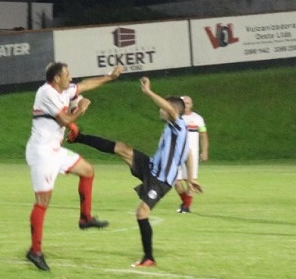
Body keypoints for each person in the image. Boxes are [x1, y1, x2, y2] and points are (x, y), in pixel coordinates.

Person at [71, 77, 202, 267]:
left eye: (163, 108)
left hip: (161, 180)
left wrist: (149, 92)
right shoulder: (173, 129)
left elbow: (172, 111)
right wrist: (192, 179)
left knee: (142, 213)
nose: (160, 110)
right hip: (151, 168)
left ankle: (149, 258)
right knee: (122, 148)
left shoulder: (178, 124)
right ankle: (79, 138)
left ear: (169, 110)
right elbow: (189, 153)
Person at [24, 62, 123, 272]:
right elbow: (65, 118)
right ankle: (35, 251)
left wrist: (110, 77)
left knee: (88, 171)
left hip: (54, 150)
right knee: (42, 202)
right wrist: (80, 110)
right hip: (41, 153)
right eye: (67, 74)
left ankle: (85, 218)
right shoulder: (46, 92)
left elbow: (87, 85)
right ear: (57, 78)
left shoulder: (64, 90)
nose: (71, 77)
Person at [174, 95, 208, 213]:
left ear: (191, 104)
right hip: (177, 153)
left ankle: (186, 206)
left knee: (191, 180)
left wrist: (204, 151)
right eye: (183, 103)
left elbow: (203, 136)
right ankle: (185, 202)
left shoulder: (198, 118)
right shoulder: (175, 118)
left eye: (188, 103)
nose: (186, 105)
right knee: (176, 181)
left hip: (192, 154)